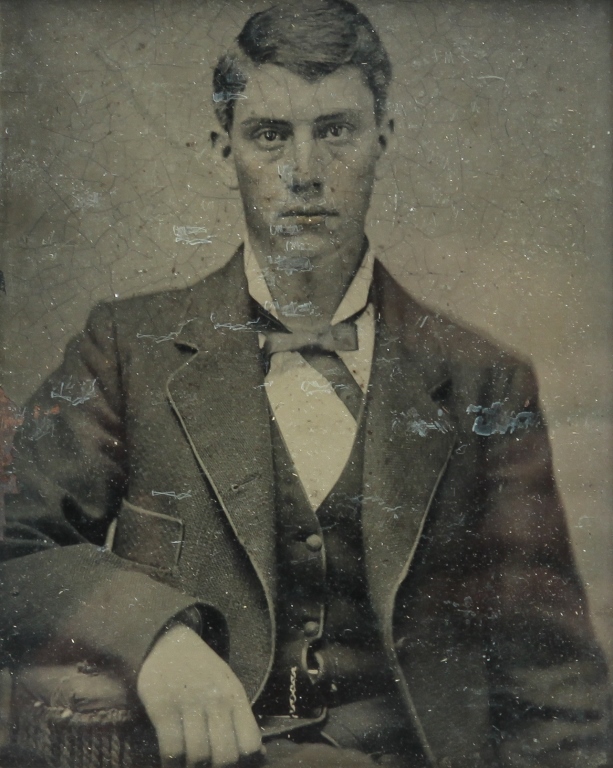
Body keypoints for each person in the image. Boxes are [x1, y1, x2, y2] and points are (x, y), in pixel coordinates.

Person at [0, 1, 609, 767]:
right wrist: (155, 635)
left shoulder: (481, 377)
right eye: (269, 135)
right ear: (224, 151)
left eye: (335, 130)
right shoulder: (128, 347)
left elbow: (550, 676)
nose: (304, 171)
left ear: (381, 138)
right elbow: (10, 545)